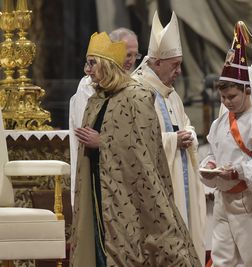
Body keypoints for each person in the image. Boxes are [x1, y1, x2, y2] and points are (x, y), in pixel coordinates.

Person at [69, 31, 201, 267]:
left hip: (130, 195)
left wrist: (103, 143)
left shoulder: (137, 96)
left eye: (92, 63)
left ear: (107, 65)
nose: (87, 70)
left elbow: (145, 151)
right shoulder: (95, 99)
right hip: (99, 187)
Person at [199, 21, 252, 267]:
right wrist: (211, 164)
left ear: (247, 90)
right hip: (224, 198)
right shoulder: (221, 122)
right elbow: (216, 152)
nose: (227, 102)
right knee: (223, 258)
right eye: (223, 97)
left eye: (232, 97)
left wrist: (238, 170)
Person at [133, 11, 206, 266]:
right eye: (174, 65)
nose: (179, 71)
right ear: (156, 63)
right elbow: (136, 143)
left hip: (181, 178)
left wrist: (188, 136)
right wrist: (174, 140)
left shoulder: (171, 94)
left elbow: (185, 124)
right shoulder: (138, 93)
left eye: (180, 64)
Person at [69, 28, 140, 207]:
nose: (130, 61)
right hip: (96, 168)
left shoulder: (136, 89)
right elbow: (86, 134)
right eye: (126, 54)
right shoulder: (88, 89)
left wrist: (104, 141)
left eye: (134, 55)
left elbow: (139, 137)